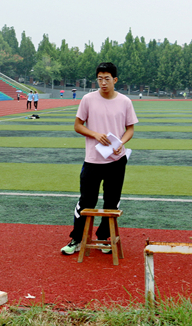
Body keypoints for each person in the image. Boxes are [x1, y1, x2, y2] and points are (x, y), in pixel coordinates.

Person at [61, 62, 138, 255]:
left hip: (117, 160)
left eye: (107, 79)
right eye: (100, 79)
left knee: (112, 202)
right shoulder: (88, 99)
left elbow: (130, 129)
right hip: (93, 160)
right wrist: (95, 134)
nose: (103, 83)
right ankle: (77, 238)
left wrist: (121, 142)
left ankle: (104, 237)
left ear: (115, 80)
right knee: (86, 201)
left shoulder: (125, 102)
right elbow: (78, 125)